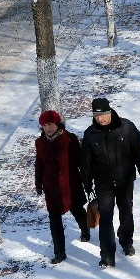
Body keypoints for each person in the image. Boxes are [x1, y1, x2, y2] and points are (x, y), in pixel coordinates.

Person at [80, 97, 140, 268]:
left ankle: (126, 241)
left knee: (126, 212)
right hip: (103, 183)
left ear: (109, 112)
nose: (100, 119)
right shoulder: (90, 134)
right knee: (105, 217)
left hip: (125, 179)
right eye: (97, 116)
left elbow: (139, 150)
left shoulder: (126, 127)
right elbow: (85, 162)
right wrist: (87, 184)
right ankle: (107, 255)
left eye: (103, 114)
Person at [35, 110, 90, 265]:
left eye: (50, 124)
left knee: (78, 210)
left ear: (57, 124)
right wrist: (38, 183)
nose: (47, 128)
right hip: (51, 187)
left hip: (70, 184)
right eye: (44, 125)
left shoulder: (69, 139)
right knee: (54, 220)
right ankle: (59, 252)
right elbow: (39, 164)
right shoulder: (39, 143)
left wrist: (87, 180)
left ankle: (85, 230)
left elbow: (80, 161)